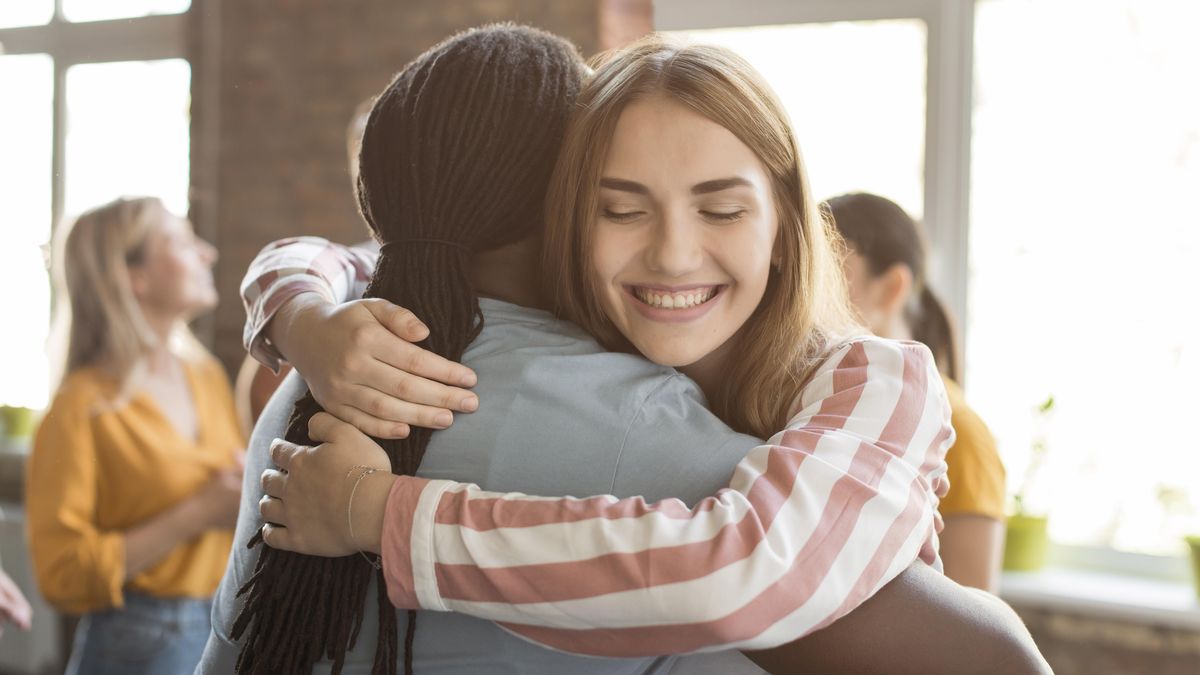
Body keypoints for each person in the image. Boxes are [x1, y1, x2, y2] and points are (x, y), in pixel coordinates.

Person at [213, 28, 1047, 674]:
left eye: (720, 207)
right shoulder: (630, 422)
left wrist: (296, 318)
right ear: (564, 204)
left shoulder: (329, 366)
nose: (675, 253)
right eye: (620, 204)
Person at [26, 197, 244, 675]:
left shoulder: (205, 375)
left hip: (223, 625)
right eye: (181, 242)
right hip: (138, 643)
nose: (207, 252)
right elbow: (60, 573)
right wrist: (198, 512)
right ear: (134, 277)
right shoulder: (80, 408)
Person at [828, 192, 1007, 591]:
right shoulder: (826, 406)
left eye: (829, 271)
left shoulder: (962, 434)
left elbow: (972, 621)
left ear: (892, 287)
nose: (805, 292)